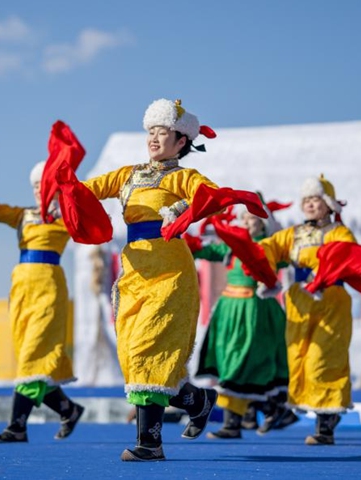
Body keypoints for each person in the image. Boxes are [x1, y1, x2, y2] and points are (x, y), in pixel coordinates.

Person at [63, 98, 233, 461]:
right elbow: (85, 190)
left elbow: (212, 197)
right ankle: (198, 400)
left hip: (170, 271)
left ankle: (150, 443)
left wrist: (185, 209)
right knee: (133, 353)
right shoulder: (127, 174)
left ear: (181, 141)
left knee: (149, 352)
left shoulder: (182, 177)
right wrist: (61, 185)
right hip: (135, 271)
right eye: (151, 132)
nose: (154, 138)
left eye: (163, 132)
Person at [0, 160, 84, 444]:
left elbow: (91, 226)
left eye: (44, 184)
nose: (39, 190)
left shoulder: (65, 216)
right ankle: (68, 410)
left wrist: (70, 203)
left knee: (34, 355)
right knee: (30, 356)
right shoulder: (25, 215)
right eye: (35, 185)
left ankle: (17, 426)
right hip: (22, 289)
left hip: (49, 288)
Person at [257, 175, 356, 446]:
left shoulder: (339, 232)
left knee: (322, 359)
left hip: (331, 301)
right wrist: (266, 276)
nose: (311, 205)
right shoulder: (294, 233)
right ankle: (324, 415)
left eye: (316, 199)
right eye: (307, 200)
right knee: (299, 358)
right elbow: (267, 247)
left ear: (328, 204)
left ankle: (325, 423)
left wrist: (324, 276)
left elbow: (347, 255)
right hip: (300, 301)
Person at [188, 207, 293, 440]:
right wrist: (183, 241)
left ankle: (267, 410)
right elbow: (207, 251)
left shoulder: (271, 245)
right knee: (228, 363)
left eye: (254, 218)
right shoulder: (231, 244)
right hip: (229, 309)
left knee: (243, 363)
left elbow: (293, 258)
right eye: (245, 217)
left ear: (264, 223)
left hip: (255, 309)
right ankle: (235, 422)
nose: (248, 222)